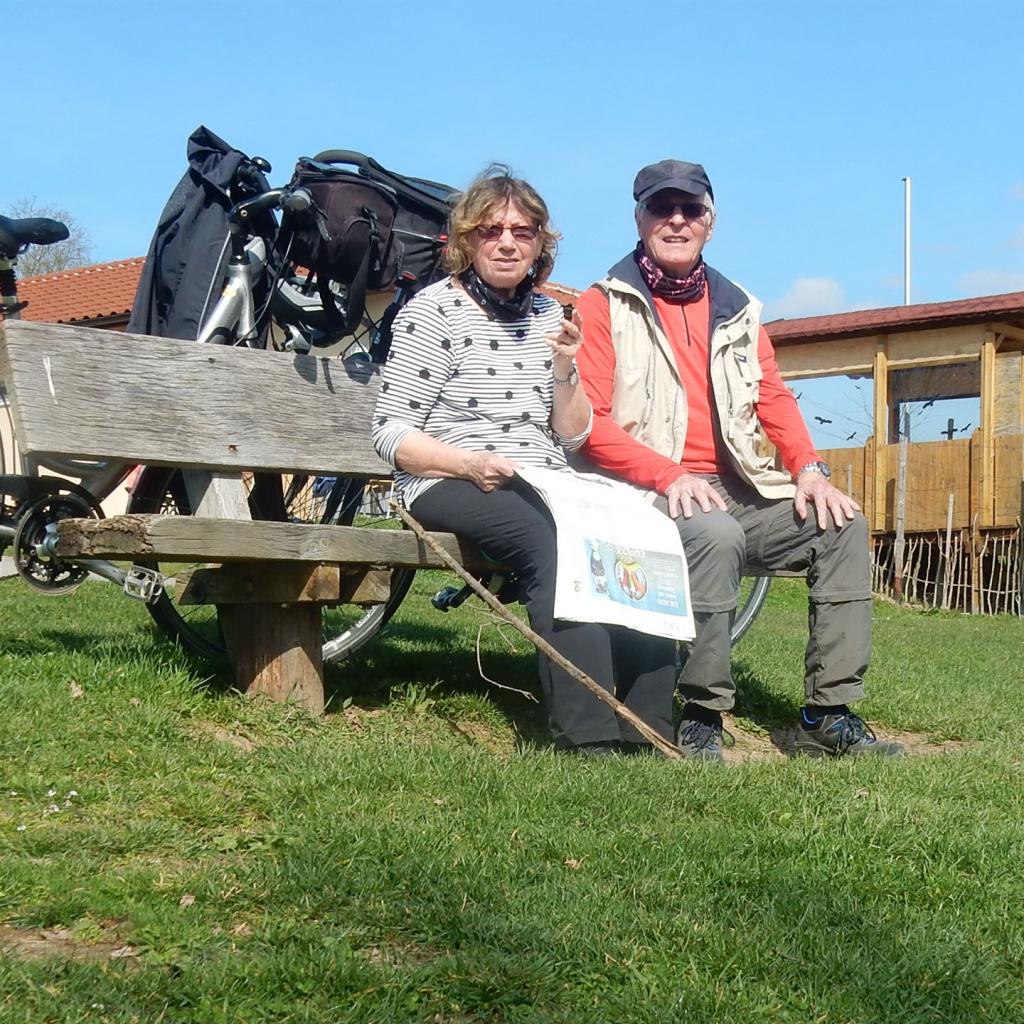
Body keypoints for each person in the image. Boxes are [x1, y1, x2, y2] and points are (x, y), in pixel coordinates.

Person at [574, 159, 904, 762]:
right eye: (662, 207)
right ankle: (703, 711)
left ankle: (826, 713)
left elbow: (771, 396)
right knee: (715, 532)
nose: (677, 220)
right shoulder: (603, 304)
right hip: (641, 488)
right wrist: (669, 474)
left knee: (842, 525)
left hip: (736, 484)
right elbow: (589, 424)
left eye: (691, 209)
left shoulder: (741, 307)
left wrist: (809, 469)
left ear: (711, 221)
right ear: (639, 218)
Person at [372, 165, 677, 757]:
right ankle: (587, 737)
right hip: (444, 477)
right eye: (491, 231)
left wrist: (565, 368)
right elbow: (390, 434)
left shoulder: (549, 318)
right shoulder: (431, 313)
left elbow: (573, 435)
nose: (507, 243)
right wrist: (467, 464)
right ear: (467, 241)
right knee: (553, 543)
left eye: (522, 231)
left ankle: (648, 729)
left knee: (645, 529)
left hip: (544, 479)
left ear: (541, 244)